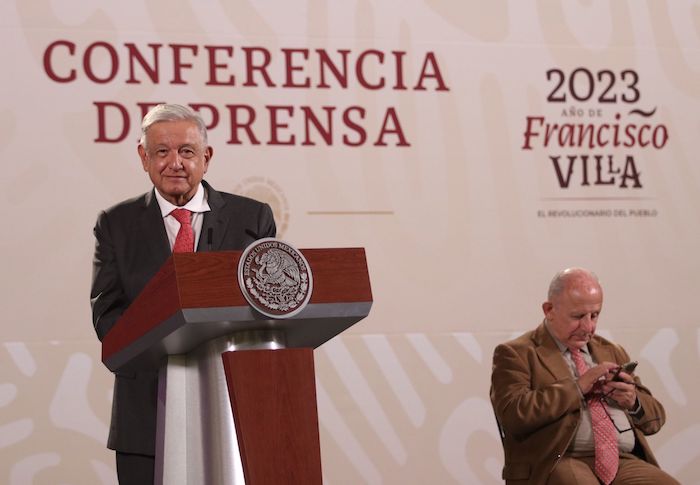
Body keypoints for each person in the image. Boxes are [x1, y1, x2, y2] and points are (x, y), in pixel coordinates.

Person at [90, 104, 276, 484]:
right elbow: (108, 318)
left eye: (187, 152)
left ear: (206, 158)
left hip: (232, 407)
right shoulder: (116, 224)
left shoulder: (251, 219)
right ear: (144, 157)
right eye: (162, 151)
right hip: (146, 412)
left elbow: (269, 304)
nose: (175, 162)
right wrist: (170, 347)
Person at [490, 268, 678, 484]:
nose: (588, 327)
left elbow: (654, 422)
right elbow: (513, 415)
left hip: (621, 459)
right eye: (578, 316)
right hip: (557, 460)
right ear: (549, 310)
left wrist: (633, 401)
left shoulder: (611, 351)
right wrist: (577, 387)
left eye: (594, 315)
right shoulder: (517, 353)